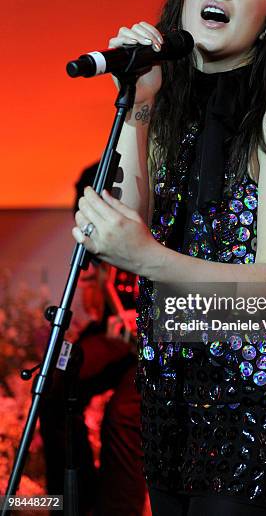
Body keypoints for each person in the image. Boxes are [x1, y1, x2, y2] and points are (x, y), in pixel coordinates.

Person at [72, 0, 266, 516]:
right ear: (183, 3)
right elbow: (129, 225)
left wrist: (147, 257)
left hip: (257, 389)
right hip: (172, 385)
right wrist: (139, 102)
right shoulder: (163, 114)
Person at [39, 163, 147, 516]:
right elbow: (96, 303)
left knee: (125, 413)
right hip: (114, 335)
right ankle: (72, 502)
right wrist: (95, 292)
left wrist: (147, 319)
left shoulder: (164, 211)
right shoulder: (99, 184)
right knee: (53, 383)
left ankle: (116, 510)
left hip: (161, 343)